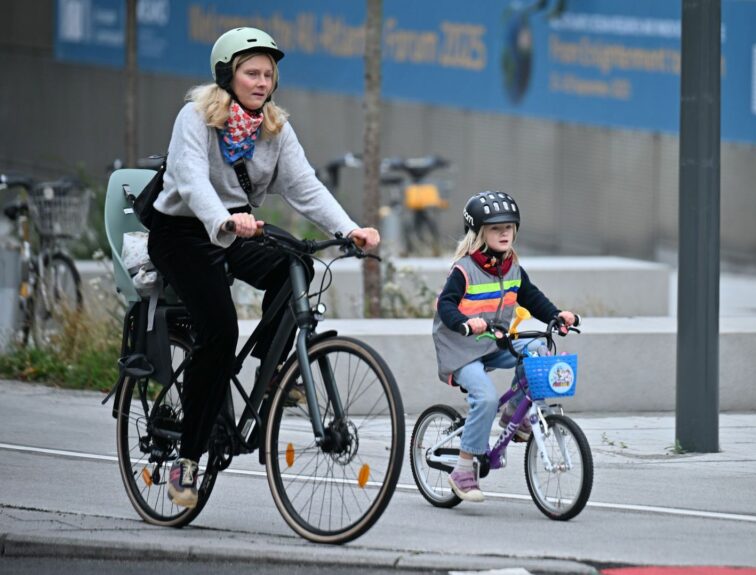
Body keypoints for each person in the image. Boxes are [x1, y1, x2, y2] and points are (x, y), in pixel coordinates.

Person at [147, 27, 380, 508]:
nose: (261, 82)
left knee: (296, 267)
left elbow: (305, 186)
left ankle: (272, 378)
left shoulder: (273, 127)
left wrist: (350, 228)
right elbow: (190, 180)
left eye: (268, 74)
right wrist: (224, 220)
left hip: (237, 229)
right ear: (227, 75)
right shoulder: (194, 117)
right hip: (183, 232)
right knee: (220, 329)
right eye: (251, 72)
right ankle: (186, 464)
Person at [432, 190, 578, 502]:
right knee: (484, 398)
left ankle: (514, 412)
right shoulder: (464, 269)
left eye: (509, 227)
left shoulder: (511, 266)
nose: (504, 233)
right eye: (496, 228)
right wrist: (464, 322)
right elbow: (446, 305)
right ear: (479, 233)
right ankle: (462, 468)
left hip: (493, 342)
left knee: (537, 349)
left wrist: (556, 315)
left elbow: (532, 297)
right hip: (461, 348)